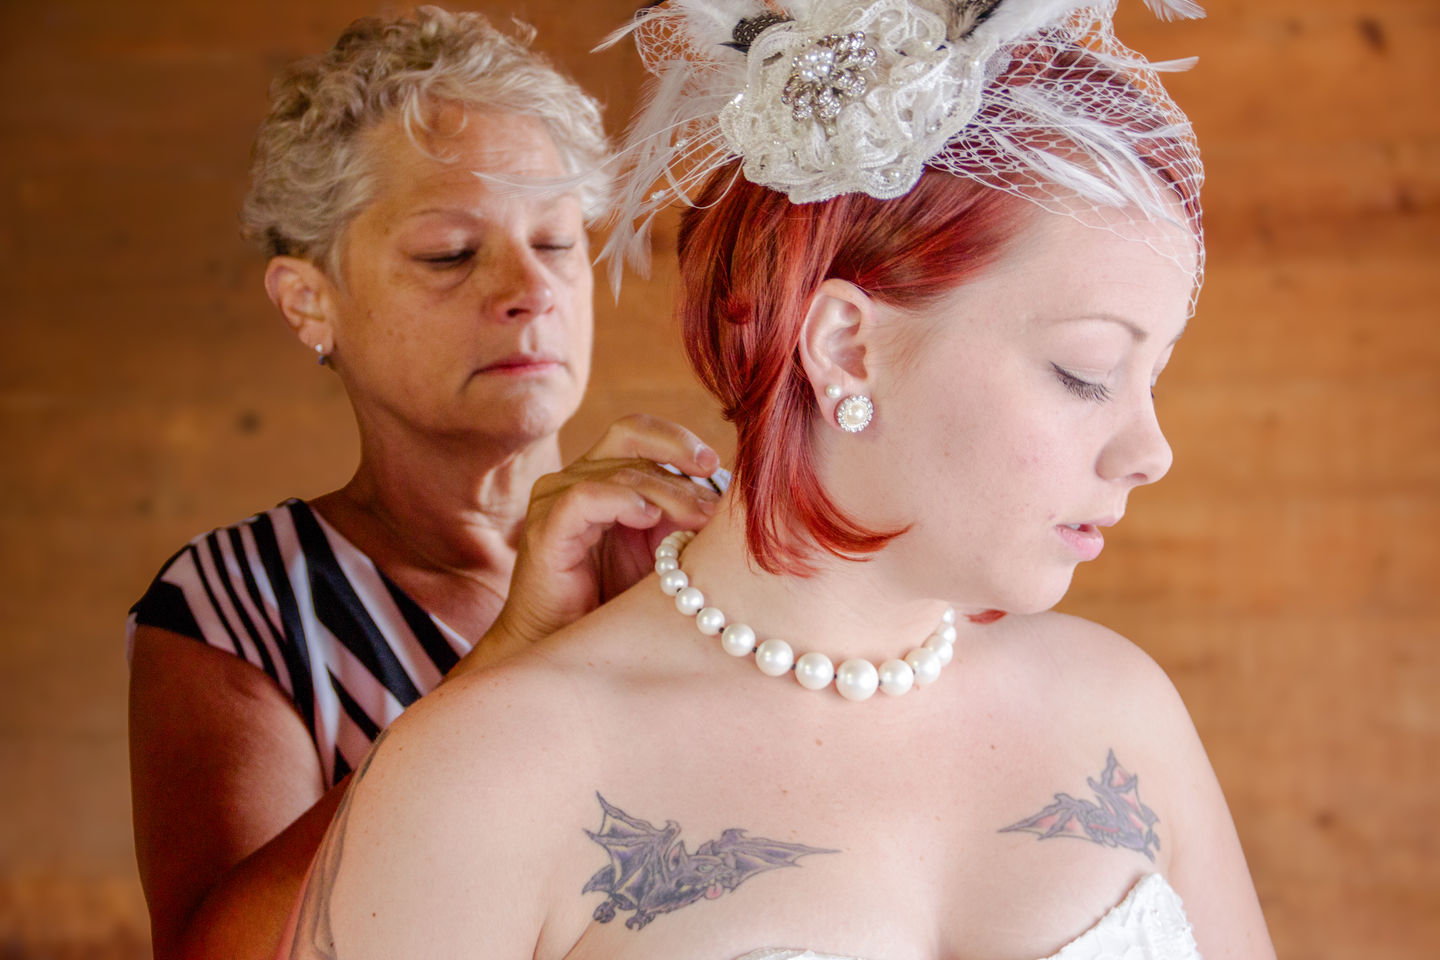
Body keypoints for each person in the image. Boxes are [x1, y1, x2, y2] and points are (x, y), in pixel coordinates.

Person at [279, 1, 1277, 957]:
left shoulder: (1122, 712)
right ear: (847, 346)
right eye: (1087, 372)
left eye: (1153, 376)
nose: (1150, 449)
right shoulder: (492, 773)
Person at [126, 8, 727, 960]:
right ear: (309, 300)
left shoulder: (708, 544)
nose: (528, 288)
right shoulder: (236, 607)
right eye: (451, 253)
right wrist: (510, 658)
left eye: (558, 242)